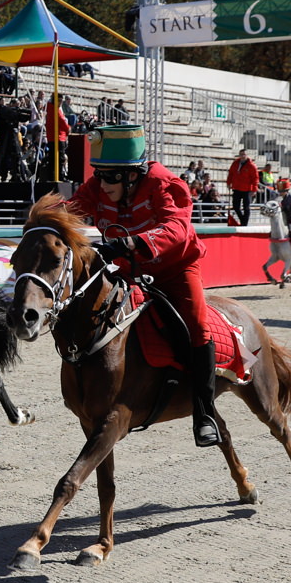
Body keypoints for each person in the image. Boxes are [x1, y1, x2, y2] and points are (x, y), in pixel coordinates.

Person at [69, 124, 224, 447]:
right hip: (128, 271)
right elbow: (68, 211)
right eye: (99, 175)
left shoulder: (164, 183)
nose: (102, 184)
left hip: (175, 268)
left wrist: (131, 243)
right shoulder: (98, 186)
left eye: (110, 177)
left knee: (197, 326)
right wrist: (43, 221)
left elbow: (177, 228)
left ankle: (204, 413)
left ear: (132, 175)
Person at [225, 148, 259, 226]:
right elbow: (231, 173)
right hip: (236, 188)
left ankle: (244, 223)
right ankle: (242, 219)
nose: (242, 156)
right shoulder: (235, 163)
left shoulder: (251, 165)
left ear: (247, 155)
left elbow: (255, 178)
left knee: (246, 207)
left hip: (247, 189)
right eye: (241, 154)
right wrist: (228, 182)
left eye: (244, 154)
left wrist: (254, 189)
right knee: (235, 206)